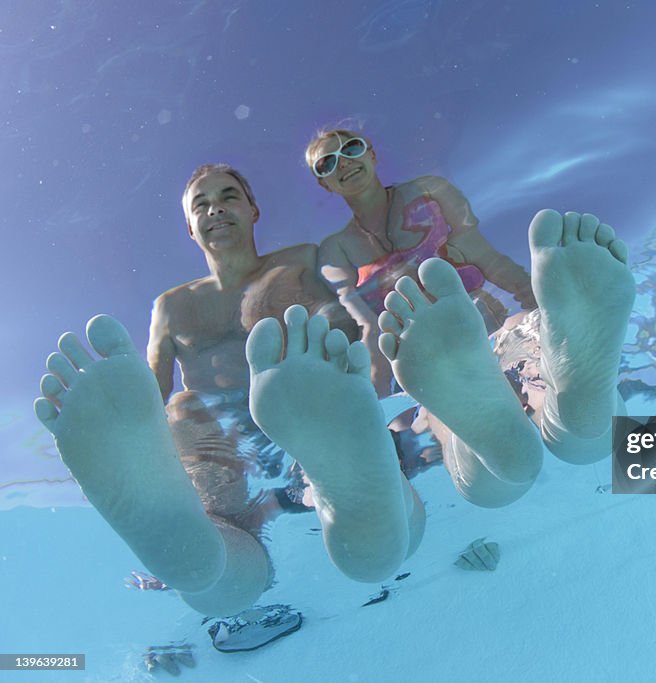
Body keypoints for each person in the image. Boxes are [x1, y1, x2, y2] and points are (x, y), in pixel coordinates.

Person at [34, 165, 425, 617]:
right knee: (185, 412)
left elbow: (353, 330)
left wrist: (371, 395)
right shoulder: (171, 305)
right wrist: (133, 440)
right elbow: (150, 397)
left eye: (228, 196)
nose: (215, 207)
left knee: (328, 453)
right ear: (190, 227)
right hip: (221, 437)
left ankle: (216, 560)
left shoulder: (300, 263)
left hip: (303, 411)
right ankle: (195, 541)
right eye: (201, 204)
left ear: (253, 209)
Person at [308, 129, 537, 396]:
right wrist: (380, 401)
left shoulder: (429, 191)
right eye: (328, 163)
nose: (343, 161)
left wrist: (538, 304)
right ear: (324, 184)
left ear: (371, 154)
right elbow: (368, 327)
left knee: (525, 380)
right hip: (420, 350)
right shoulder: (336, 249)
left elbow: (484, 256)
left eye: (350, 148)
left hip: (479, 315)